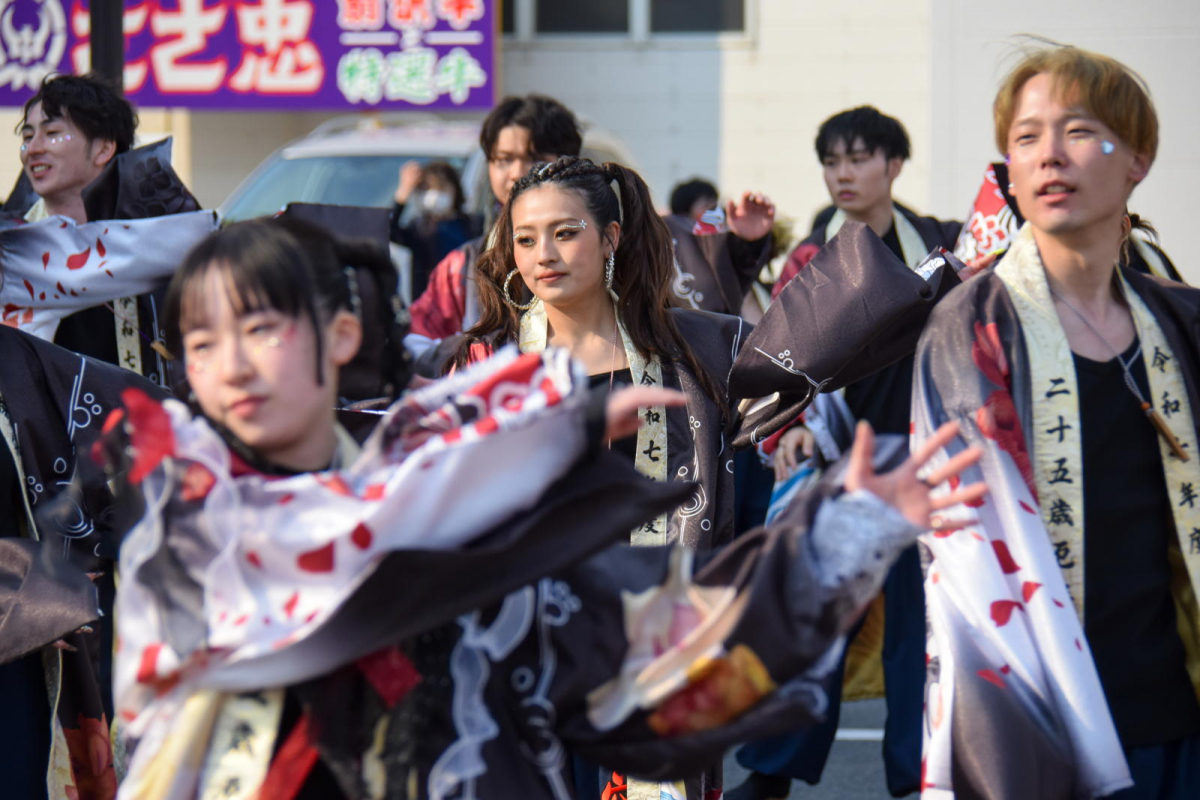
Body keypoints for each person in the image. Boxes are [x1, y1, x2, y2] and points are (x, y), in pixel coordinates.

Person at [106, 215, 986, 800]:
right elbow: (319, 557)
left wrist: (840, 537)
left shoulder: (472, 497)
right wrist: (517, 436)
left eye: (262, 328)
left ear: (339, 336)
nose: (231, 364)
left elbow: (640, 653)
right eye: (202, 340)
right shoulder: (182, 517)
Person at [912, 44, 1200, 798]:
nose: (1049, 157)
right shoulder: (972, 327)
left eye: (1078, 131)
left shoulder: (1181, 320)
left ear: (1137, 158)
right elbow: (966, 541)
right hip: (1040, 714)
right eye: (1027, 138)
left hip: (1177, 704)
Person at [731, 106, 962, 800]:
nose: (844, 174)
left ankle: (914, 778)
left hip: (926, 464)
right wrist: (789, 431)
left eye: (859, 159)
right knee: (815, 625)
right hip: (841, 463)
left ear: (894, 165)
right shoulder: (811, 256)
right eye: (833, 162)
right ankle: (770, 775)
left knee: (919, 638)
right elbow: (778, 364)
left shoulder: (945, 246)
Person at [16, 72, 205, 386]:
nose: (33, 148)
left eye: (52, 133)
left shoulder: (166, 237)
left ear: (103, 149)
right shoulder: (15, 246)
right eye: (27, 136)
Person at [390, 160, 477, 298]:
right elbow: (389, 230)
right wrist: (403, 192)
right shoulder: (419, 228)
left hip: (466, 300)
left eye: (441, 188)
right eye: (427, 188)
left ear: (455, 189)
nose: (434, 195)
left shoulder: (473, 224)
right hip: (430, 303)